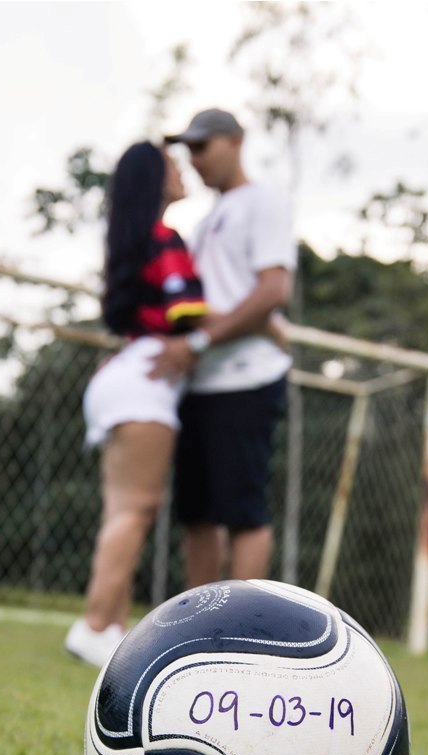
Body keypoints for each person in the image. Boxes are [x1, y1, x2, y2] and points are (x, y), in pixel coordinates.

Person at [64, 141, 209, 667]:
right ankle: (96, 624)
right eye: (171, 165)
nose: (180, 171)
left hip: (124, 377)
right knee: (135, 510)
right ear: (155, 180)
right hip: (144, 383)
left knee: (121, 512)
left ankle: (109, 628)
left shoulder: (132, 239)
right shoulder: (163, 237)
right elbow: (189, 315)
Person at [154, 108, 296, 587]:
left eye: (201, 146)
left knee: (243, 512)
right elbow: (204, 303)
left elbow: (273, 289)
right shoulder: (203, 222)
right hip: (198, 382)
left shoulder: (263, 202)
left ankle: (240, 635)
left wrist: (201, 338)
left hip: (247, 376)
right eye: (186, 150)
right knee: (197, 513)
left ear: (236, 141)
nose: (193, 158)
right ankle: (199, 632)